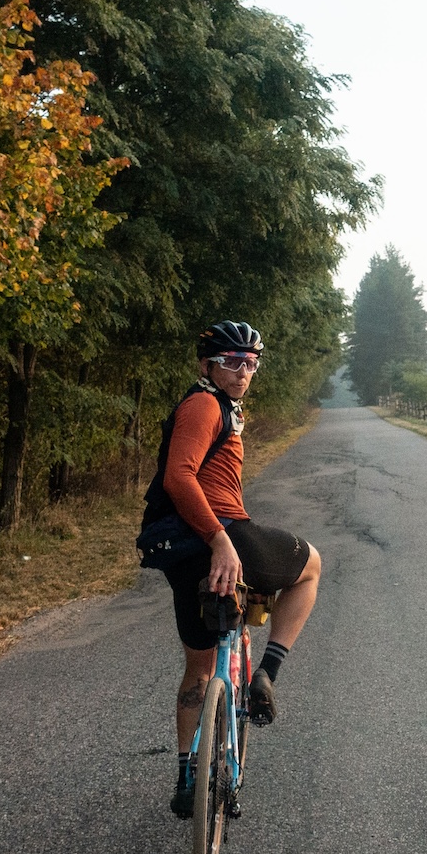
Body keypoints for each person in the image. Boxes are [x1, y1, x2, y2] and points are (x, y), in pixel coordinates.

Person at [140, 321, 323, 818]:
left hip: (178, 547)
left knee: (199, 669)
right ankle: (267, 672)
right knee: (310, 568)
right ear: (207, 366)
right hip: (219, 533)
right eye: (231, 362)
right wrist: (221, 539)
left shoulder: (217, 406)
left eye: (250, 363)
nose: (243, 372)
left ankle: (186, 776)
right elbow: (179, 476)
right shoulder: (203, 404)